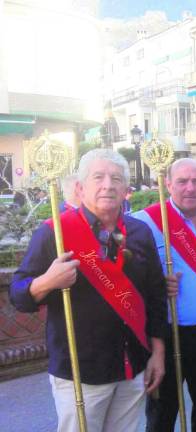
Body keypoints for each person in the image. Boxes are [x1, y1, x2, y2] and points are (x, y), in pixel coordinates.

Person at [10, 149, 168, 432]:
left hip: (132, 364)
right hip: (80, 372)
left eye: (116, 179)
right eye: (99, 177)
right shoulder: (54, 233)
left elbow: (155, 297)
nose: (108, 184)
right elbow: (18, 295)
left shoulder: (140, 233)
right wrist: (47, 281)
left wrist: (158, 352)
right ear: (81, 188)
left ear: (126, 191)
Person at [134, 159, 196, 432]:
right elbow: (127, 277)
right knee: (162, 415)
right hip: (166, 335)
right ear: (167, 184)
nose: (190, 188)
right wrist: (155, 283)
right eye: (182, 181)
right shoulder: (145, 222)